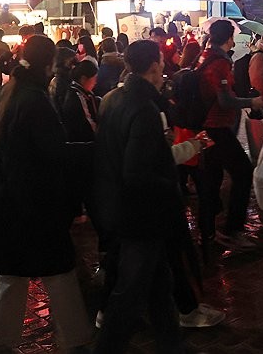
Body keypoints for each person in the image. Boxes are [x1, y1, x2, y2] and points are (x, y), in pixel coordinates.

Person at [0, 35, 92, 353]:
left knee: (11, 274)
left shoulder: (9, 92)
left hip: (6, 198)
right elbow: (55, 152)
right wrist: (96, 150)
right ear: (47, 64)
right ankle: (76, 340)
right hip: (33, 202)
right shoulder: (34, 99)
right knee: (59, 273)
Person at [92, 39, 194, 352]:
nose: (164, 67)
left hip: (121, 208)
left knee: (159, 284)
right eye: (162, 62)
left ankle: (171, 343)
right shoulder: (144, 109)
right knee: (130, 295)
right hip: (141, 215)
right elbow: (137, 172)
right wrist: (171, 188)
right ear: (153, 66)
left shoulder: (113, 97)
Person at [198, 19, 263, 251]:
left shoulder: (205, 56)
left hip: (209, 127)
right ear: (229, 39)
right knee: (243, 172)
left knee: (212, 180)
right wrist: (251, 101)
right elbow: (225, 100)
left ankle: (209, 231)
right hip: (216, 127)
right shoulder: (219, 64)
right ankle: (234, 230)